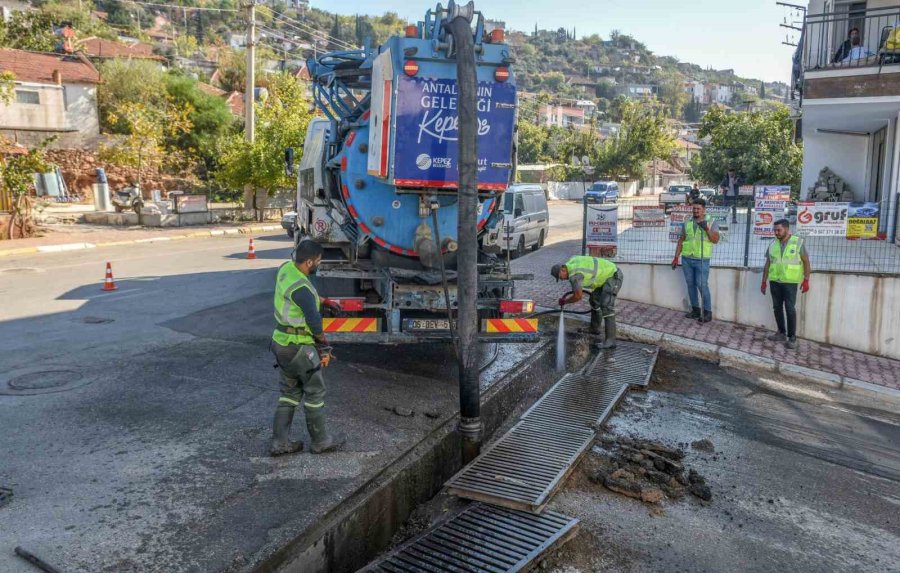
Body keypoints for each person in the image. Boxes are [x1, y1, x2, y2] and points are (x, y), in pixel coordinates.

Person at [269, 239, 345, 456]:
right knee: (315, 391)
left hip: (280, 342)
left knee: (290, 392)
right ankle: (321, 441)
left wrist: (322, 300)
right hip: (299, 346)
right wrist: (323, 342)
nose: (319, 264)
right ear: (310, 261)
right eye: (318, 261)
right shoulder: (301, 287)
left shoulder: (286, 268)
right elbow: (313, 321)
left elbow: (300, 297)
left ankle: (279, 442)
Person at [551, 255, 623, 349]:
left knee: (606, 306)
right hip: (605, 277)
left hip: (613, 276)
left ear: (563, 270)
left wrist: (565, 301)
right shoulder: (571, 262)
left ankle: (611, 340)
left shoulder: (575, 276)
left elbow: (578, 296)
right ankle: (595, 328)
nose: (562, 279)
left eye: (560, 277)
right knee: (594, 300)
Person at [761, 219, 811, 350]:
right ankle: (781, 333)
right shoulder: (772, 244)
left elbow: (806, 262)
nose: (776, 232)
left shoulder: (797, 242)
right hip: (775, 281)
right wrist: (763, 281)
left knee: (790, 309)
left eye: (779, 230)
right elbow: (768, 264)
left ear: (787, 229)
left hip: (790, 282)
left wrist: (806, 280)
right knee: (777, 307)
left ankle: (792, 337)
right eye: (775, 230)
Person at [672, 198, 720, 323]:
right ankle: (695, 310)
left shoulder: (711, 222)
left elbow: (715, 240)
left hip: (702, 259)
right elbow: (681, 240)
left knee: (702, 285)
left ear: (704, 210)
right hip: (687, 258)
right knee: (690, 284)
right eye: (694, 208)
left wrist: (706, 229)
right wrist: (676, 257)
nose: (696, 211)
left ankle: (707, 313)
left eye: (698, 209)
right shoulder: (687, 222)